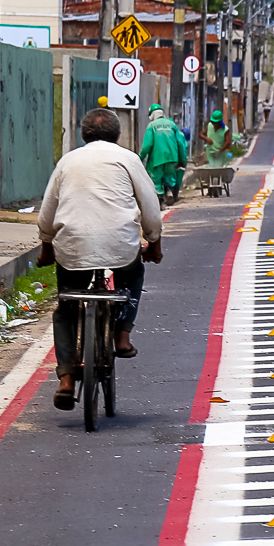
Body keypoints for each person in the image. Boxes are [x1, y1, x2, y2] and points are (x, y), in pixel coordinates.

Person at [37, 108, 164, 412]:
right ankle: (122, 336)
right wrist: (154, 244)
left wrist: (46, 247)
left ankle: (66, 379)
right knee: (132, 277)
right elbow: (150, 207)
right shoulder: (128, 159)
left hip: (73, 247)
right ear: (117, 136)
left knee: (66, 309)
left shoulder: (67, 162)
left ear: (83, 135)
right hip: (121, 246)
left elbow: (47, 212)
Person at [138, 104, 187, 206]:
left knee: (156, 179)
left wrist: (140, 157)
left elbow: (147, 145)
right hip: (172, 157)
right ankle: (169, 190)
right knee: (169, 176)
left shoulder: (152, 126)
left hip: (157, 158)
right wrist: (182, 159)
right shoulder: (172, 125)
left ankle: (159, 201)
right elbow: (180, 143)